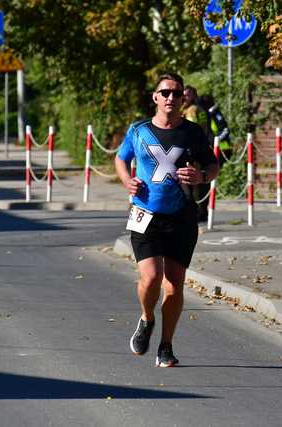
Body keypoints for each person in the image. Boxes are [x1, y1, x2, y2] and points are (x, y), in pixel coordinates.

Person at [114, 72, 219, 367]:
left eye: (176, 93)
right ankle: (147, 319)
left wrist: (202, 176)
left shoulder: (193, 132)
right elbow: (121, 158)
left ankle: (166, 346)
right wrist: (126, 180)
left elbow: (212, 165)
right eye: (165, 92)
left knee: (175, 284)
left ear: (183, 97)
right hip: (145, 212)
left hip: (181, 215)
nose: (171, 98)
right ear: (155, 97)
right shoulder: (139, 130)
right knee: (150, 278)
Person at [182, 86, 211, 222]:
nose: (184, 98)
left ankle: (197, 212)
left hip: (193, 151)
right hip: (202, 148)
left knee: (192, 182)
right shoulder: (200, 109)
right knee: (201, 183)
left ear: (193, 96)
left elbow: (189, 131)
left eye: (187, 95)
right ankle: (202, 211)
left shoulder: (192, 110)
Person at [199, 94, 232, 166]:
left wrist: (216, 139)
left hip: (222, 148)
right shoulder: (206, 114)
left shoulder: (215, 114)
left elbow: (225, 129)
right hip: (212, 148)